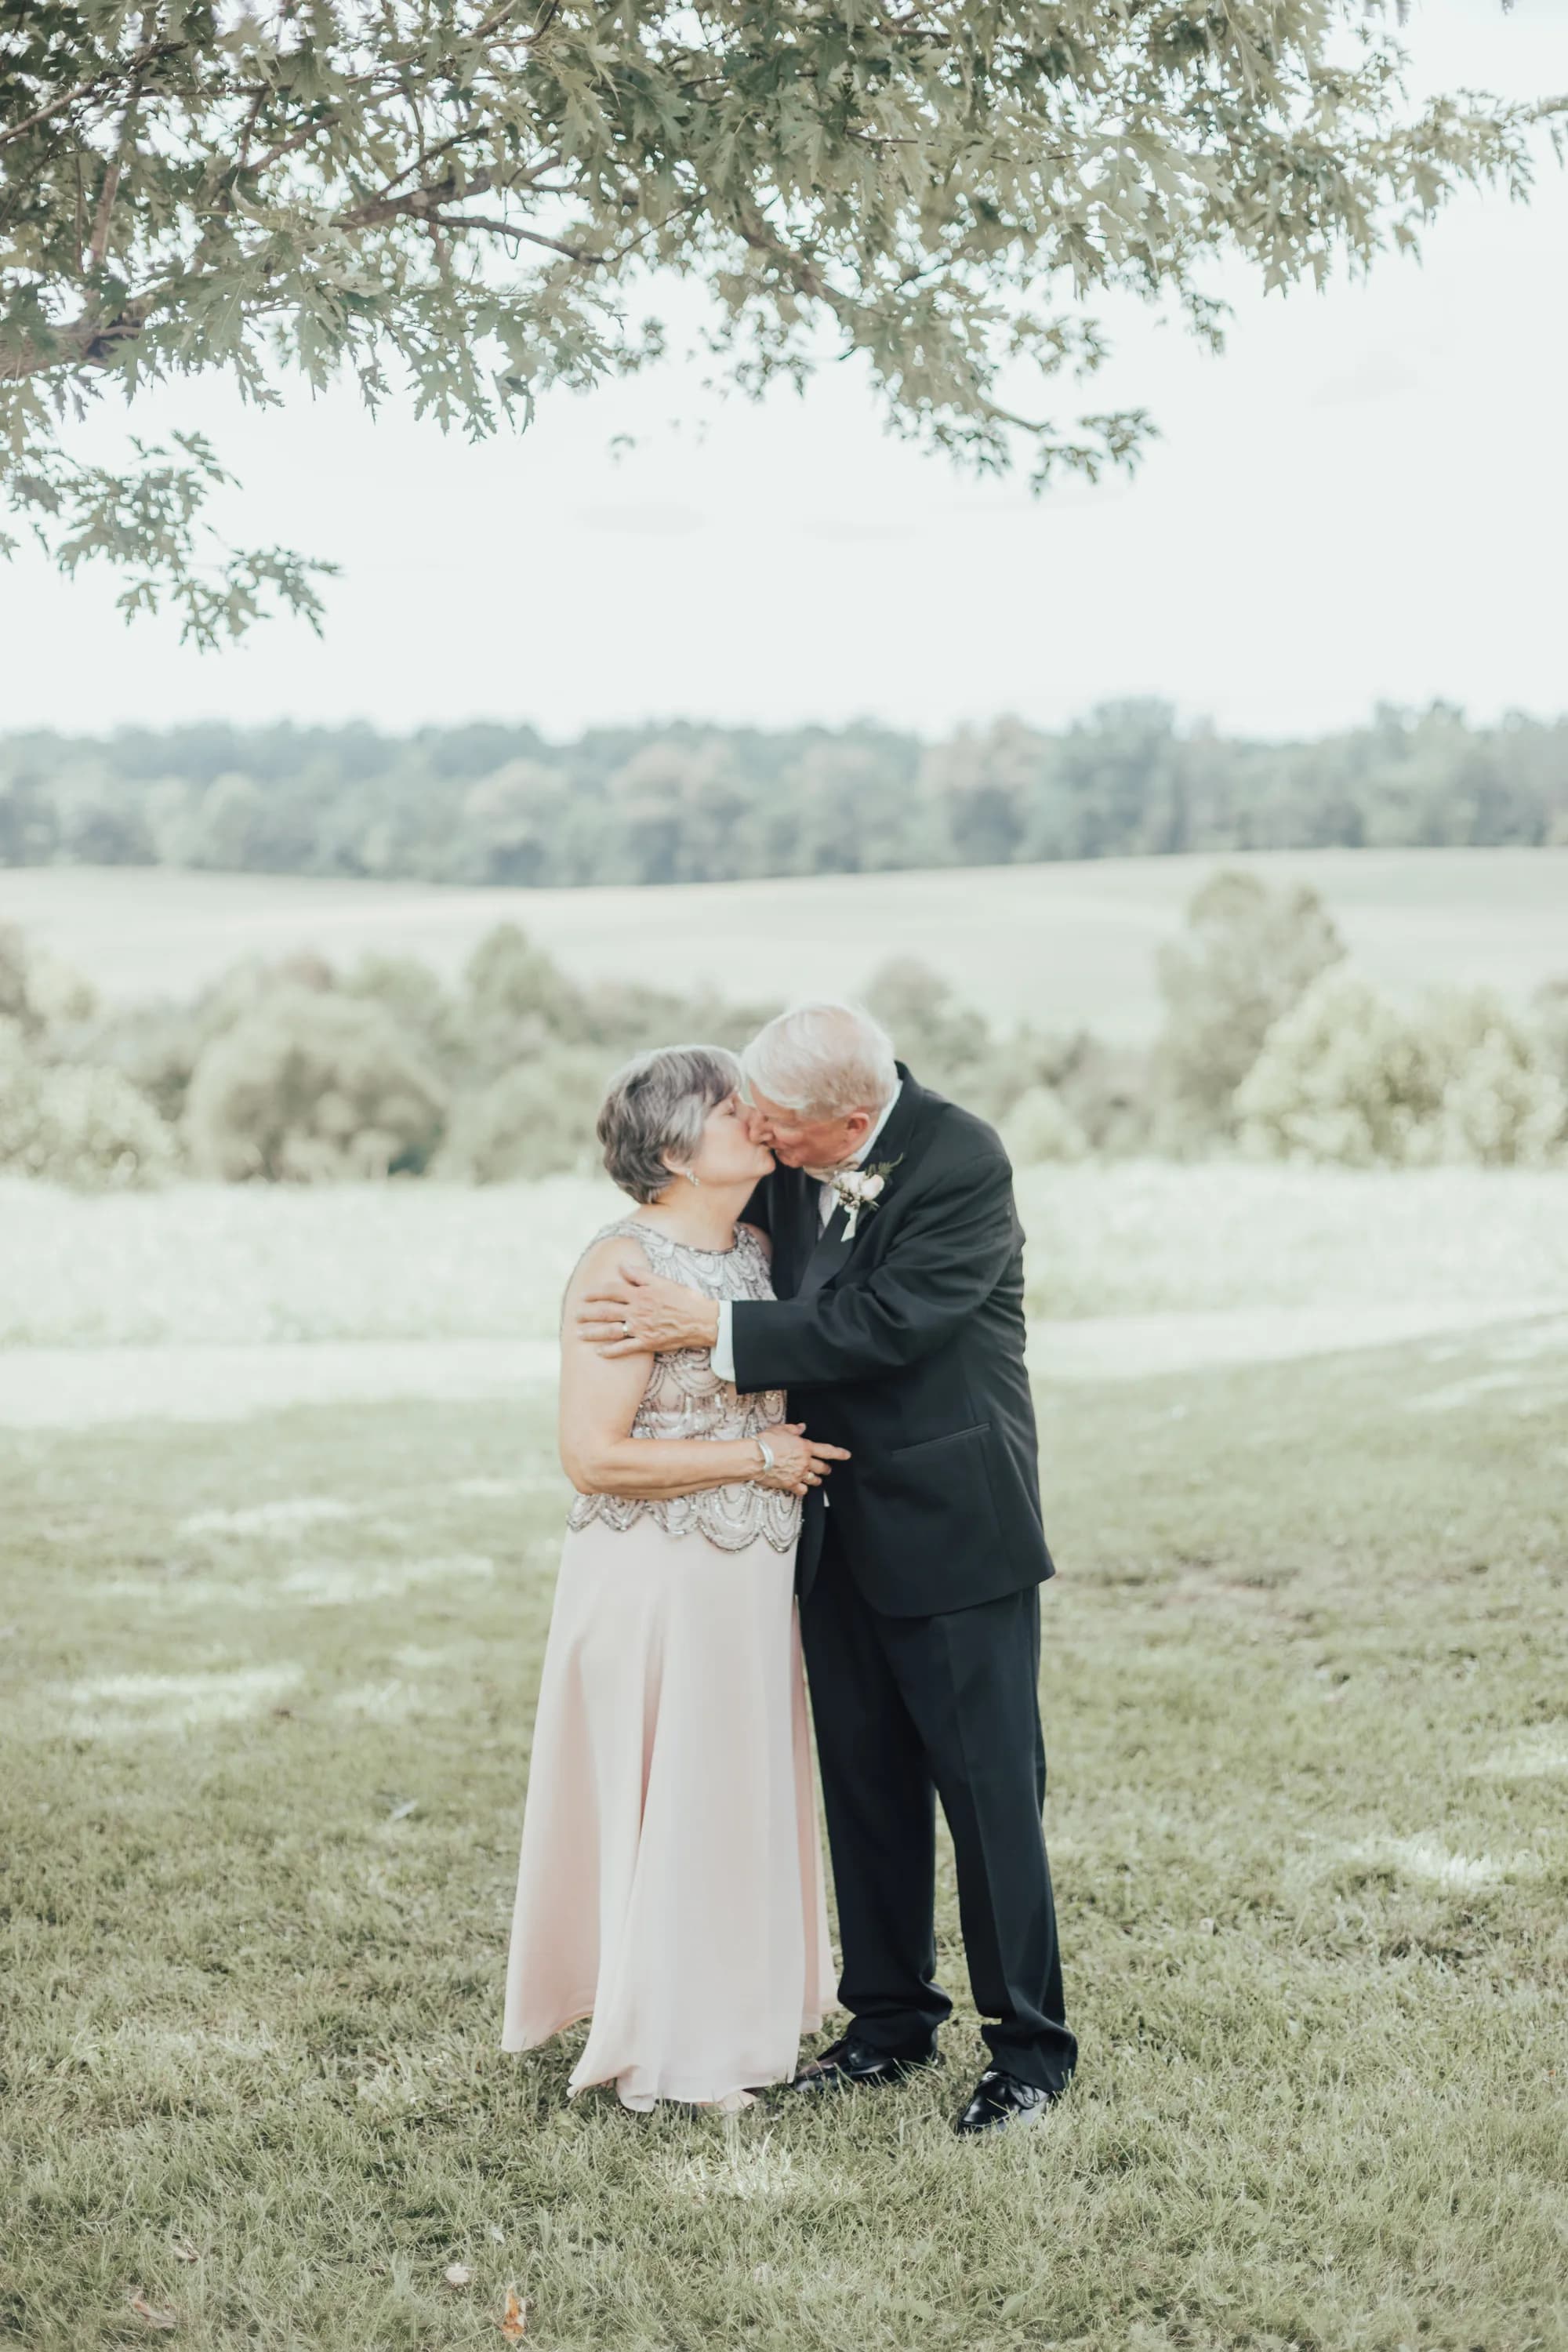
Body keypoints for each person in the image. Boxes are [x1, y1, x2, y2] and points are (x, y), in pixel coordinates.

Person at [579, 1001, 1077, 2135]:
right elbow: (694, 1213)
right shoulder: (792, 1155)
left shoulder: (961, 1160)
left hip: (955, 1528)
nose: (756, 1130)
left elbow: (883, 1322)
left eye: (775, 1119)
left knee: (990, 1799)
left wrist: (706, 1329)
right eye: (746, 1109)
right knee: (865, 1789)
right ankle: (890, 2023)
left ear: (848, 1119)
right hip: (826, 1529)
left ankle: (1032, 2054)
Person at [502, 1044, 847, 2112]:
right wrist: (756, 1458)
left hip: (746, 1578)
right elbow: (594, 1456)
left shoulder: (757, 1250)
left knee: (730, 1789)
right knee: (673, 1786)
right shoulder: (620, 1267)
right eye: (726, 1105)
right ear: (670, 1148)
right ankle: (666, 2038)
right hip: (653, 1578)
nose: (753, 1115)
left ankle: (740, 2015)